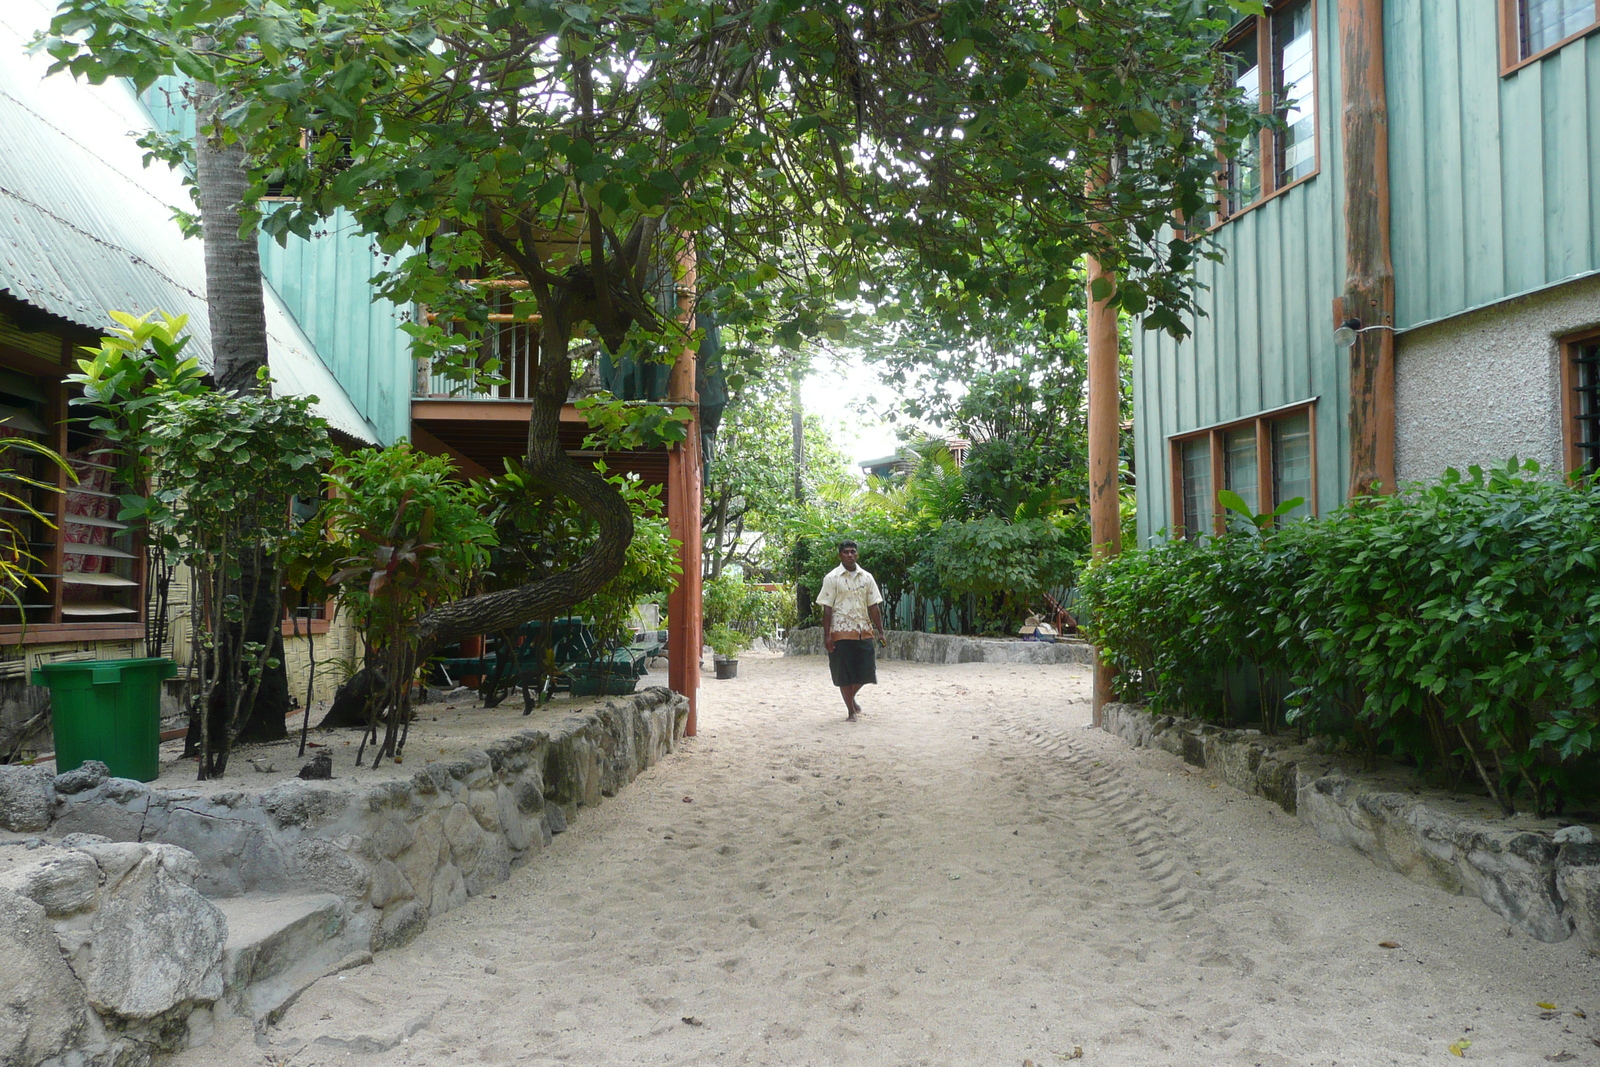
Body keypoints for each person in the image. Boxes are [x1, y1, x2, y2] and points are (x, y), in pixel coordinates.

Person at [814, 540, 886, 721]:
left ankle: (850, 697)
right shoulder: (832, 578)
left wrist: (881, 631)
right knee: (844, 673)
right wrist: (827, 635)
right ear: (840, 555)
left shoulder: (867, 578)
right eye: (845, 552)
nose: (850, 555)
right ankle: (850, 711)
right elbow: (827, 609)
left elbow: (874, 606)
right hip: (840, 630)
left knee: (867, 671)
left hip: (863, 629)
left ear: (857, 554)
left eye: (853, 552)